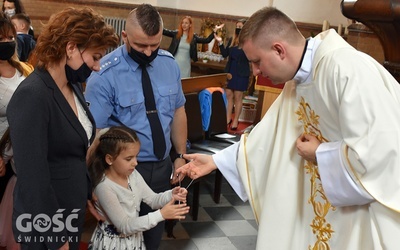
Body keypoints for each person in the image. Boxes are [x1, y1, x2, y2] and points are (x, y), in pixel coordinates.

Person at [177, 6, 400, 250]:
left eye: (257, 62)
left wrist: (320, 154)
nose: (255, 72)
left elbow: (383, 153)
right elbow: (268, 138)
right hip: (324, 216)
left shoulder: (345, 69)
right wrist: (216, 161)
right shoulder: (300, 80)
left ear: (279, 50)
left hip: (360, 220)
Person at [6, 7, 118, 249]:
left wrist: (87, 192)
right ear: (70, 48)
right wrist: (57, 239)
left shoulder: (72, 86)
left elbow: (74, 153)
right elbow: (33, 179)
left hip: (70, 210)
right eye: (95, 57)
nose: (98, 66)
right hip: (44, 222)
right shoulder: (33, 95)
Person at [85, 4, 187, 249]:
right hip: (121, 172)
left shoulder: (169, 64)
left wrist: (180, 155)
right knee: (122, 236)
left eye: (155, 44)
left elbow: (178, 111)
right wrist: (91, 182)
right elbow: (95, 134)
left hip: (161, 167)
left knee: (151, 239)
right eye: (141, 45)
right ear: (125, 36)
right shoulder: (104, 74)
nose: (149, 51)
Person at [87, 126, 189, 249]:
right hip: (114, 244)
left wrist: (171, 194)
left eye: (136, 156)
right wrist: (161, 215)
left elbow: (152, 199)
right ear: (109, 159)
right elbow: (124, 225)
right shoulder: (104, 187)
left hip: (133, 239)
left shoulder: (132, 174)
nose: (135, 163)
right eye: (129, 158)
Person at [0, 14, 33, 250]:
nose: (7, 42)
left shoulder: (24, 68)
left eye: (10, 37)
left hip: (20, 153)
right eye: (1, 38)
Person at [215, 19, 250, 130]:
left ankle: (236, 120)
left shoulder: (248, 41)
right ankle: (227, 118)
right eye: (237, 27)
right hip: (231, 71)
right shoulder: (231, 40)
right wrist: (220, 42)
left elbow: (249, 57)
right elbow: (225, 54)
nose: (238, 29)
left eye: (240, 27)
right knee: (229, 95)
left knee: (238, 97)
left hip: (241, 72)